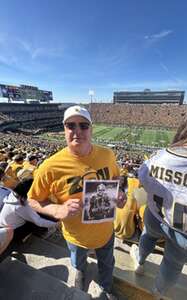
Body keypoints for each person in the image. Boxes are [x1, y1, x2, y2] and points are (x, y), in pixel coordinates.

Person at [28, 105, 126, 300]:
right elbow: (32, 200)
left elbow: (118, 180)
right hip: (75, 237)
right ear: (64, 129)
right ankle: (80, 273)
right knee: (78, 263)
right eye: (70, 125)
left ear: (91, 128)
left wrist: (121, 192)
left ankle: (106, 287)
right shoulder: (50, 166)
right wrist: (56, 209)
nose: (77, 131)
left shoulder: (107, 154)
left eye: (83, 125)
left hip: (105, 231)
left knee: (107, 264)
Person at [130, 106, 187, 299]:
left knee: (147, 236)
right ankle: (158, 292)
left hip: (157, 216)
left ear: (186, 125)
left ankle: (139, 263)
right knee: (173, 264)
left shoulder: (160, 156)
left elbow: (143, 181)